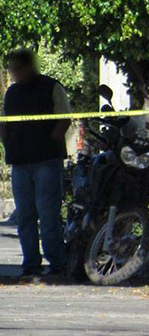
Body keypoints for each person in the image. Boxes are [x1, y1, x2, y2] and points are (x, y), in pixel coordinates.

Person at [0, 48, 71, 276]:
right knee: (25, 216)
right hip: (20, 162)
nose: (12, 74)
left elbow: (63, 119)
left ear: (28, 67)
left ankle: (56, 263)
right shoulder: (11, 93)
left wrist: (49, 142)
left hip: (46, 162)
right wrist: (8, 142)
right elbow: (6, 123)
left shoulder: (52, 87)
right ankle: (31, 263)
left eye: (15, 69)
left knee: (48, 214)